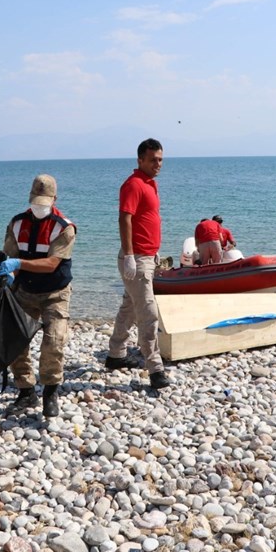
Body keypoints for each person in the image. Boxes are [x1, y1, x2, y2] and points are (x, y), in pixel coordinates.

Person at [0, 174, 76, 417]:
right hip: (24, 291)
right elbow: (11, 256)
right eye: (35, 202)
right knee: (16, 340)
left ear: (54, 200)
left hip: (55, 293)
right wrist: (9, 273)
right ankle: (25, 391)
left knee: (54, 340)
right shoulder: (17, 223)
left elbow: (52, 263)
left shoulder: (64, 228)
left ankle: (50, 392)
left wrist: (18, 262)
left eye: (44, 203)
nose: (39, 208)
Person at [105, 138, 171, 389]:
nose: (158, 164)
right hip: (137, 258)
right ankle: (155, 369)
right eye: (153, 159)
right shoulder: (133, 185)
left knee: (129, 308)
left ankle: (115, 355)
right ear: (140, 160)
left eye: (161, 159)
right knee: (148, 314)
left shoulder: (150, 184)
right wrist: (131, 256)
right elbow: (125, 219)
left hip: (148, 257)